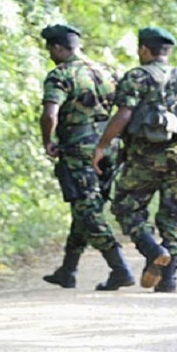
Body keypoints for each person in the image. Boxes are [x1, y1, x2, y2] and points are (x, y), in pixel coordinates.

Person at [92, 27, 177, 293]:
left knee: (125, 208)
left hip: (144, 156)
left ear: (144, 49)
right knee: (173, 216)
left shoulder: (137, 77)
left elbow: (124, 115)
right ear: (168, 51)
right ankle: (169, 279)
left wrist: (102, 146)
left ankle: (153, 250)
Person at [39, 23, 135, 291]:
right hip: (108, 147)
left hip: (79, 149)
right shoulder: (107, 71)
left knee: (87, 210)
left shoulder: (61, 74)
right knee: (86, 207)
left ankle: (120, 268)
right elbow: (127, 108)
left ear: (59, 47)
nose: (49, 54)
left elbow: (50, 114)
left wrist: (48, 140)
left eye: (50, 49)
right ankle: (68, 270)